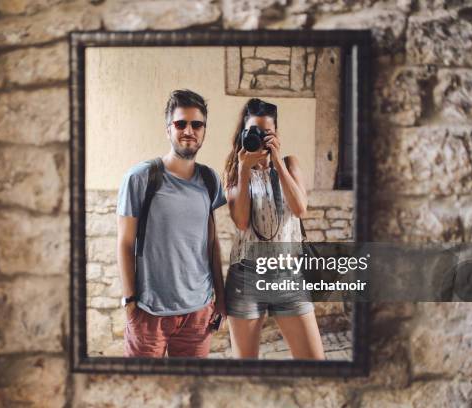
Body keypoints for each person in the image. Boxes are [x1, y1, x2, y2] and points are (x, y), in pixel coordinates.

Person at [116, 89, 227, 358]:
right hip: (149, 312)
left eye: (196, 124)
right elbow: (125, 243)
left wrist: (221, 300)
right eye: (181, 124)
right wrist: (131, 302)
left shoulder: (210, 180)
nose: (189, 130)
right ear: (168, 129)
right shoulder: (141, 178)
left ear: (204, 131)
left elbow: (211, 243)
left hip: (198, 312)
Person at [222, 98, 325, 359]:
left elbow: (301, 208)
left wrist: (277, 161)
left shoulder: (290, 164)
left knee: (315, 364)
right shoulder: (234, 172)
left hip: (289, 275)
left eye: (266, 132)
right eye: (253, 131)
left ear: (275, 135)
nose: (259, 137)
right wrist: (245, 170)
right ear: (243, 133)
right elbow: (242, 221)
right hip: (246, 277)